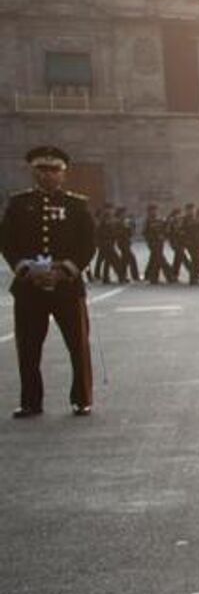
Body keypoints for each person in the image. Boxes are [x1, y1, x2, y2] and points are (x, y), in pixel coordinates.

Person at [4, 146, 96, 418]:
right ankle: (31, 401)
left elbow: (87, 245)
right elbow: (7, 242)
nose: (47, 175)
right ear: (33, 172)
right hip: (29, 286)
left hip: (66, 285)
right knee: (28, 347)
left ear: (63, 174)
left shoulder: (76, 205)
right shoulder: (18, 204)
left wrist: (64, 270)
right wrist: (24, 269)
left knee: (78, 345)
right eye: (41, 169)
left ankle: (82, 398)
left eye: (54, 170)